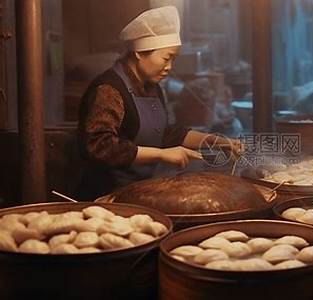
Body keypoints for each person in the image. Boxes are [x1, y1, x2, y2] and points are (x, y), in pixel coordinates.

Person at [76, 6, 240, 200]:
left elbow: (164, 133)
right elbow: (99, 146)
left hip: (139, 191)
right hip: (107, 197)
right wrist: (162, 155)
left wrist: (217, 141)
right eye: (166, 58)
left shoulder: (151, 86)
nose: (169, 67)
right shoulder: (109, 90)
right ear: (139, 52)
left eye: (173, 59)